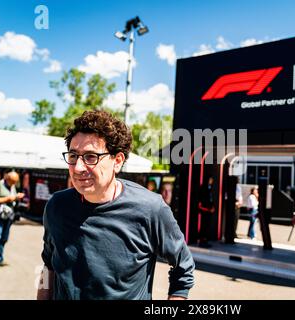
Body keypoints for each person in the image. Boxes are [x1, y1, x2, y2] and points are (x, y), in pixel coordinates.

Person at [37, 110, 194, 300]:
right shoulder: (57, 206)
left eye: (90, 157)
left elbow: (183, 268)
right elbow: (47, 265)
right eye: (73, 156)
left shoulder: (150, 209)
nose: (78, 167)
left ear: (117, 161)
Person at [0, 171, 24, 272]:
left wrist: (16, 197)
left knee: (4, 239)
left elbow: (13, 197)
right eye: (12, 182)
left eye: (15, 182)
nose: (13, 184)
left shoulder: (12, 186)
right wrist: (8, 198)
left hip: (9, 216)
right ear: (7, 178)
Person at [198, 176, 215, 248]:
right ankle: (202, 241)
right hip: (204, 209)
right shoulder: (203, 188)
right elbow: (201, 200)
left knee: (207, 225)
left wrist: (212, 207)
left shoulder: (210, 188)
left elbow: (211, 198)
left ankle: (206, 240)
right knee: (204, 225)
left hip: (209, 210)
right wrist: (206, 208)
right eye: (210, 179)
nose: (211, 181)